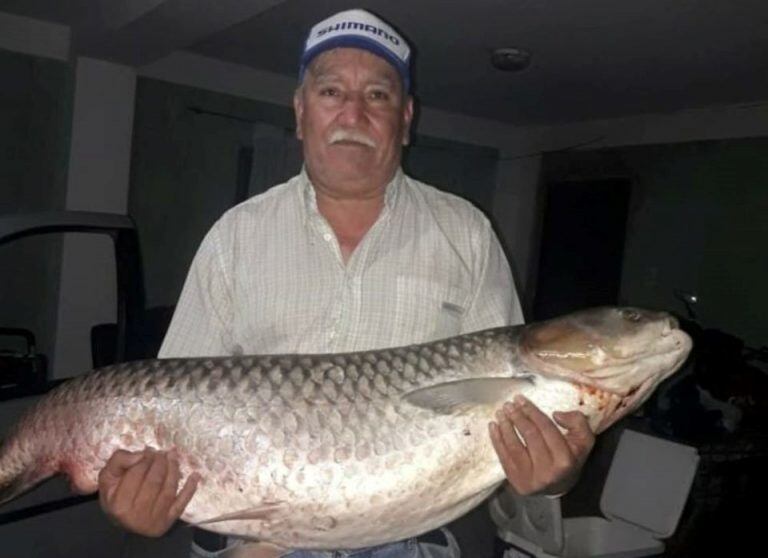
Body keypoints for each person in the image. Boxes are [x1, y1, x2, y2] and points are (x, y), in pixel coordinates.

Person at [97, 8, 595, 558]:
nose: (353, 113)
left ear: (405, 119)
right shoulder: (234, 237)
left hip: (415, 543)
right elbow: (169, 407)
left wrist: (553, 475)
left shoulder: (466, 234)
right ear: (300, 111)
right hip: (257, 545)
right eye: (331, 91)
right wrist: (134, 493)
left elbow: (509, 420)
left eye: (377, 96)